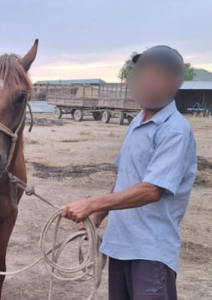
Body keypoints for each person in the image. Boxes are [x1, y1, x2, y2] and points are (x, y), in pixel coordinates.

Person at [61, 45, 197, 300]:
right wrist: (99, 214)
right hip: (121, 245)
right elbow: (127, 177)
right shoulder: (138, 121)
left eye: (155, 75)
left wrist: (91, 203)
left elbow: (152, 189)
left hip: (150, 251)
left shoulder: (174, 130)